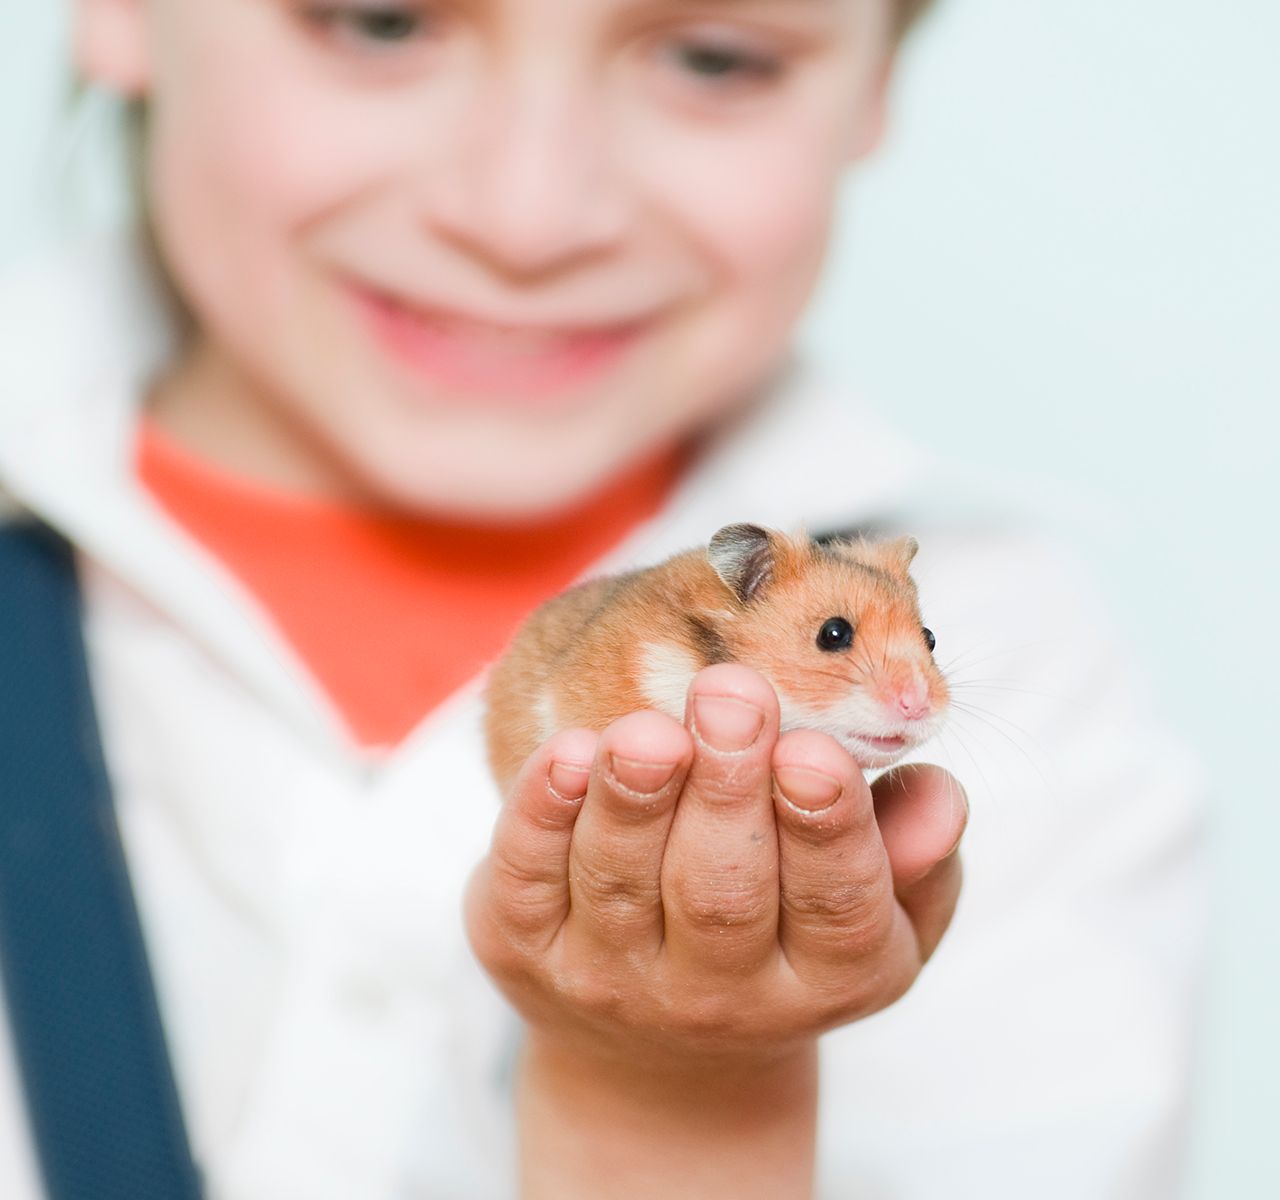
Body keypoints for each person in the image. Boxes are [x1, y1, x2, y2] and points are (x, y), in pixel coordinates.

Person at [0, 0, 1206, 1196]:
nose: (526, 219)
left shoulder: (1044, 672)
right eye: (377, 22)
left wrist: (680, 1096)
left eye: (711, 56)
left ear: (881, 76)